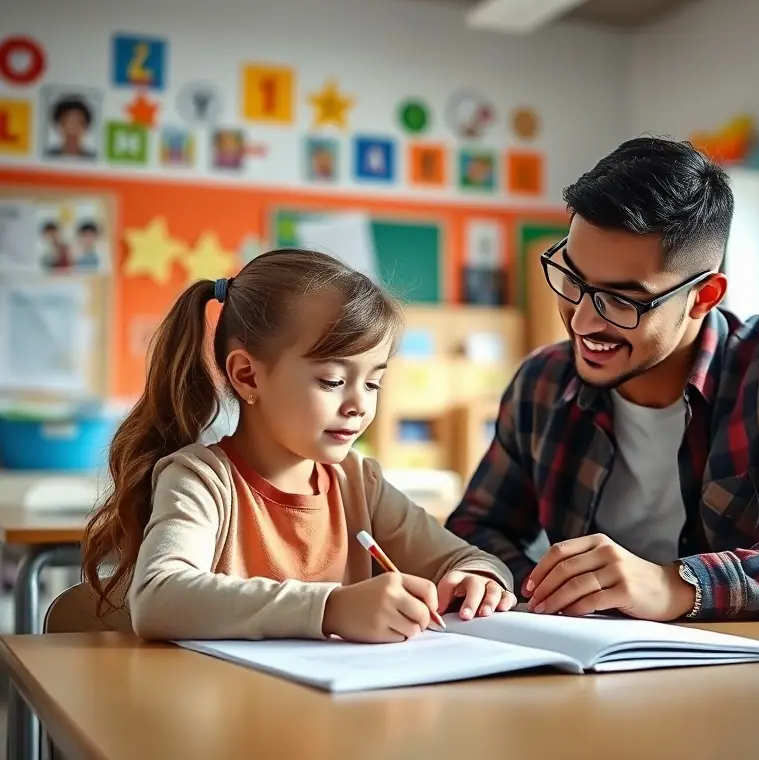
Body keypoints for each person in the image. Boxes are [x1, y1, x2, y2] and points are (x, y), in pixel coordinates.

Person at [447, 137, 759, 622]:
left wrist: (675, 586)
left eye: (622, 300)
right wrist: (526, 584)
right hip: (583, 670)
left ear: (705, 295)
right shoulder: (542, 381)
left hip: (745, 675)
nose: (582, 322)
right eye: (573, 281)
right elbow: (477, 528)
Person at [81, 249, 515, 643]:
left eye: (373, 382)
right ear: (248, 376)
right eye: (333, 381)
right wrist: (330, 608)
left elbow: (462, 558)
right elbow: (159, 597)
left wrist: (477, 577)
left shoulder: (359, 484)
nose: (359, 405)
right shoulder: (201, 480)